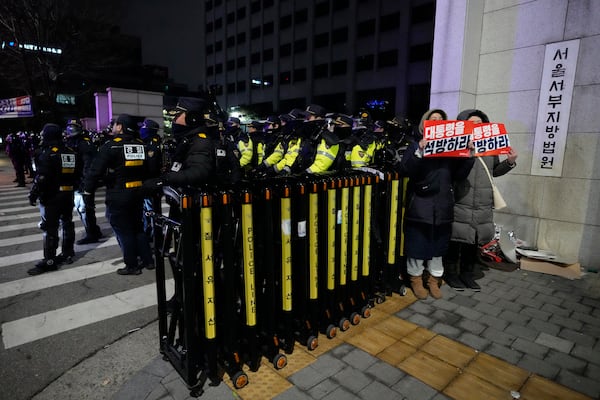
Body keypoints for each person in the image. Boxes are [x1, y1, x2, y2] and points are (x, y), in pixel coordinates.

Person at [399, 109, 475, 300]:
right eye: (433, 120)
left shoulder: (451, 150)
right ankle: (415, 279)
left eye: (441, 120)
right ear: (425, 125)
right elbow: (407, 170)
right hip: (420, 205)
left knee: (439, 246)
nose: (438, 122)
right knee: (417, 245)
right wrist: (420, 151)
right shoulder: (415, 145)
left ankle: (434, 280)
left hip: (442, 205)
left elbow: (458, 175)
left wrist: (469, 155)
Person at [443, 109, 518, 291]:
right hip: (461, 199)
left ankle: (467, 275)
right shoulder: (455, 145)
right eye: (472, 123)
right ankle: (451, 274)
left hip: (483, 201)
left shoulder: (490, 146)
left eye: (480, 123)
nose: (476, 126)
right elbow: (451, 172)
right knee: (456, 239)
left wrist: (509, 162)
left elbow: (494, 172)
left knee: (474, 241)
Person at [83, 114, 157, 275]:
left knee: (124, 231)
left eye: (115, 124)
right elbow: (148, 170)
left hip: (119, 194)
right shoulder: (141, 145)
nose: (113, 127)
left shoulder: (111, 146)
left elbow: (95, 171)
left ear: (120, 126)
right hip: (138, 193)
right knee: (137, 227)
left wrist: (88, 192)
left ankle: (131, 265)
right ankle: (148, 261)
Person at [27, 123, 82, 275]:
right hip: (68, 194)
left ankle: (50, 260)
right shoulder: (71, 152)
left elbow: (42, 177)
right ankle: (68, 253)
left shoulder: (47, 153)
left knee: (50, 228)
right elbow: (78, 174)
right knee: (67, 223)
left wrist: (33, 194)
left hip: (52, 196)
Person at [64, 118, 104, 244]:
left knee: (85, 209)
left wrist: (85, 183)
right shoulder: (71, 141)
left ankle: (92, 234)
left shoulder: (84, 143)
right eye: (69, 127)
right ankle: (95, 230)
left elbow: (88, 165)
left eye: (74, 127)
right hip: (76, 180)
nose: (71, 130)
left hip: (83, 181)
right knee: (84, 208)